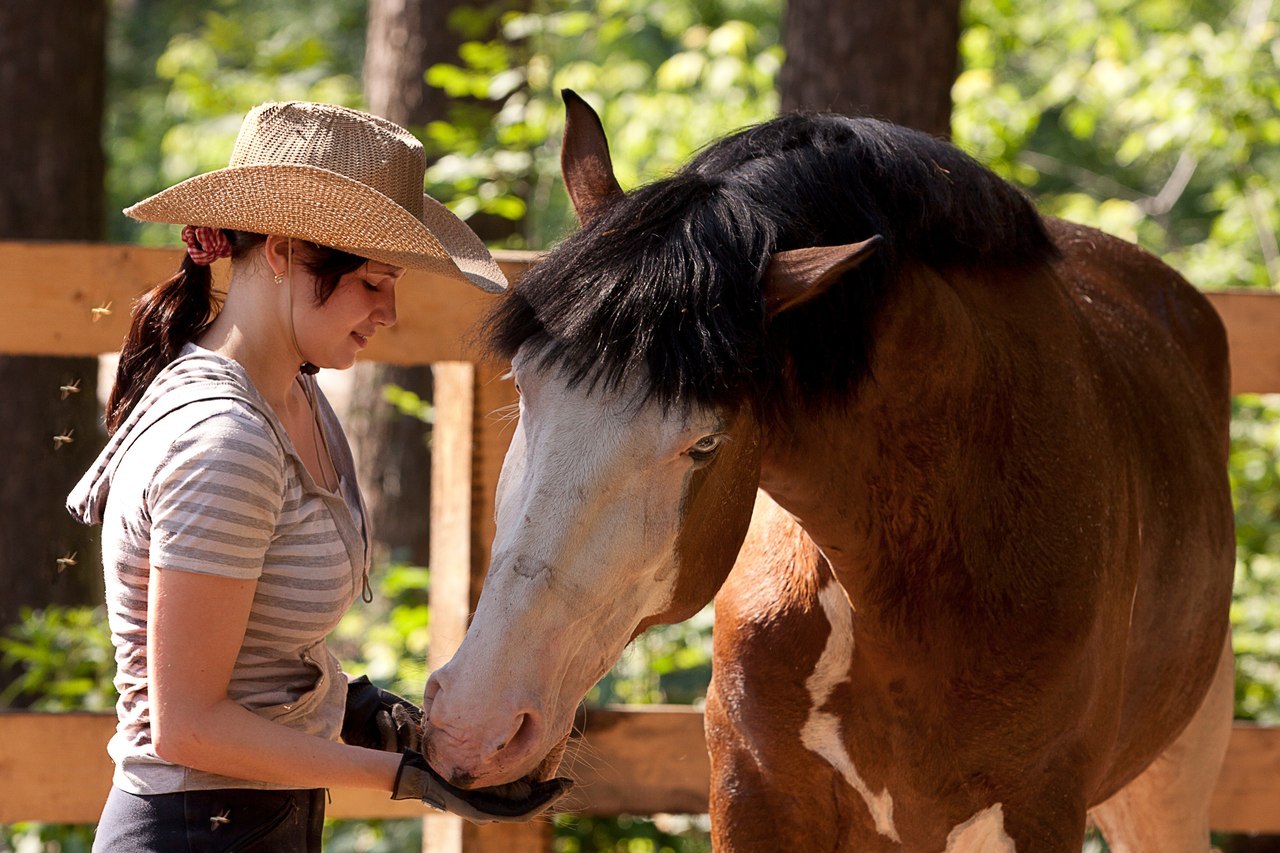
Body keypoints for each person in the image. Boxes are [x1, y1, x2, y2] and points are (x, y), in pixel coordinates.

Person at [67, 101, 568, 852]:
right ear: (281, 251)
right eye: (372, 281)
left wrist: (365, 709)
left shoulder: (299, 397)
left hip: (262, 821)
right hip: (195, 830)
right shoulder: (225, 440)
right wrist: (398, 773)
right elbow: (189, 725)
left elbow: (256, 665)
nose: (390, 310)